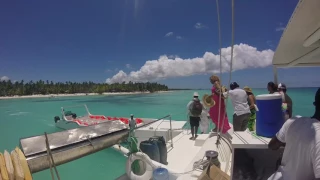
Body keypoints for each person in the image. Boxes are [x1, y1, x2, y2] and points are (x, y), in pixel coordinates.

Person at [268, 88, 320, 180]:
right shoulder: (285, 99)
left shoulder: (293, 121)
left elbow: (272, 145)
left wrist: (294, 142)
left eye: (281, 89)